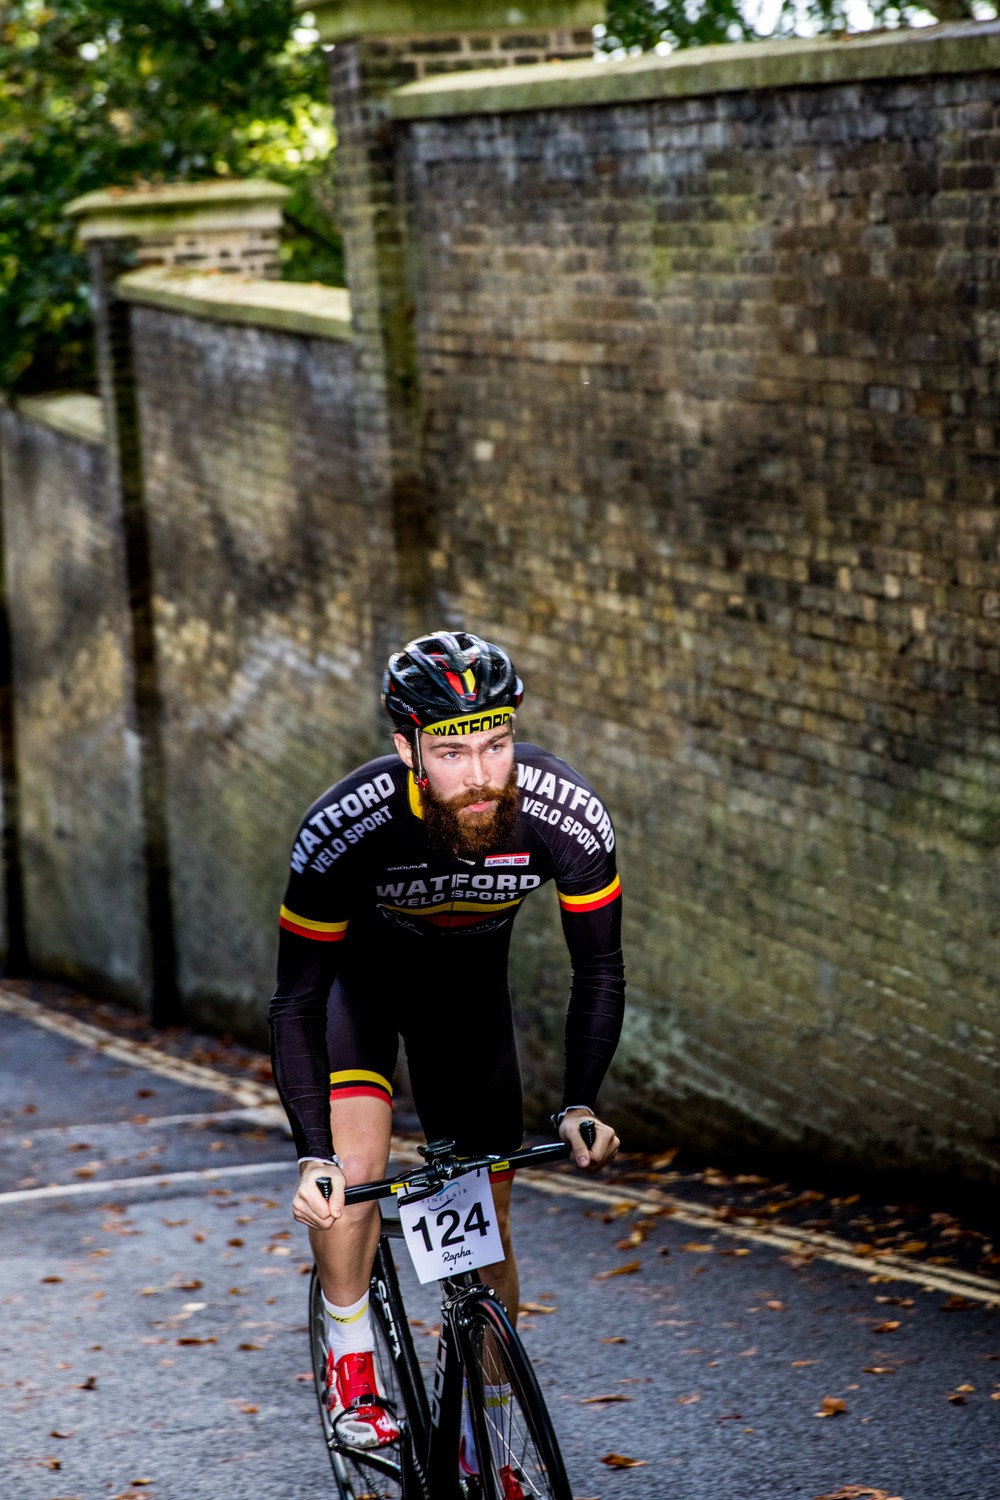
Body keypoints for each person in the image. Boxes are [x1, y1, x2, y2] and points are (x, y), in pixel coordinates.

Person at [268, 631, 625, 1487]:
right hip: (362, 996)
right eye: (453, 751)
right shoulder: (346, 826)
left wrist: (579, 1102)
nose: (480, 775)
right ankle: (351, 1355)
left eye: (496, 744)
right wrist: (313, 1153)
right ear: (408, 750)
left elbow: (600, 969)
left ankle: (487, 1439)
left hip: (467, 1008)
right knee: (356, 1170)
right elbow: (295, 1002)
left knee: (484, 1220)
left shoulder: (562, 814)